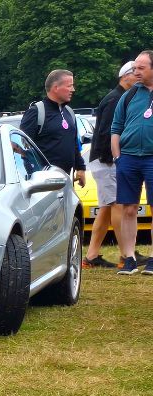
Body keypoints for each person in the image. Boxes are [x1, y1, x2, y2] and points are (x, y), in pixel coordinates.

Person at [87, 62, 137, 268]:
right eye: (136, 74)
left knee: (107, 209)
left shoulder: (120, 97)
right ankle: (126, 255)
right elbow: (107, 133)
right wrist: (117, 158)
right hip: (106, 160)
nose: (139, 78)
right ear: (125, 77)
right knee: (118, 204)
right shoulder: (115, 99)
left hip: (106, 160)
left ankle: (91, 256)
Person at [110, 50, 153, 274]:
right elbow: (116, 127)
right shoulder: (128, 95)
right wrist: (118, 157)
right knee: (128, 208)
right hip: (128, 158)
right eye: (134, 68)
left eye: (141, 68)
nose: (135, 72)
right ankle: (129, 257)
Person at [20, 69, 84, 182]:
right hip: (44, 183)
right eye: (69, 86)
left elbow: (73, 143)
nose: (73, 90)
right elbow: (21, 146)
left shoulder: (69, 112)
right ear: (55, 88)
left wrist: (80, 167)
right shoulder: (36, 112)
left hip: (67, 180)